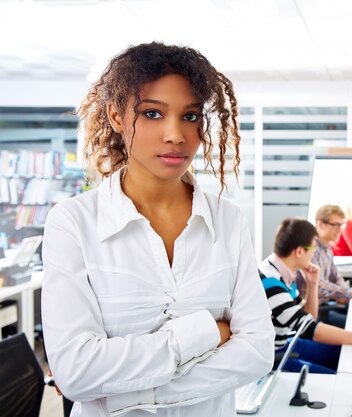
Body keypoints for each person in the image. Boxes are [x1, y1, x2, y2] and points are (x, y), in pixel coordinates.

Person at [41, 42, 274, 417]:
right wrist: (209, 333)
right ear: (117, 117)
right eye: (152, 113)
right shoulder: (73, 222)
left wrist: (126, 396)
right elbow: (76, 372)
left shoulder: (227, 219)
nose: (175, 135)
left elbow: (258, 353)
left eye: (190, 116)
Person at [259, 218, 352, 374]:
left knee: (348, 353)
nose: (314, 254)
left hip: (288, 344)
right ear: (300, 251)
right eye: (313, 249)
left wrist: (312, 284)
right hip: (274, 358)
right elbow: (309, 329)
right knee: (340, 376)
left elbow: (308, 319)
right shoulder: (271, 283)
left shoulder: (281, 270)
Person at [296, 205, 352, 328]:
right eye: (335, 225)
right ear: (320, 224)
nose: (340, 230)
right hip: (315, 312)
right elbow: (319, 286)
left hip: (327, 305)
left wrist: (347, 295)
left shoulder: (327, 247)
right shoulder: (311, 249)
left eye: (341, 225)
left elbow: (335, 276)